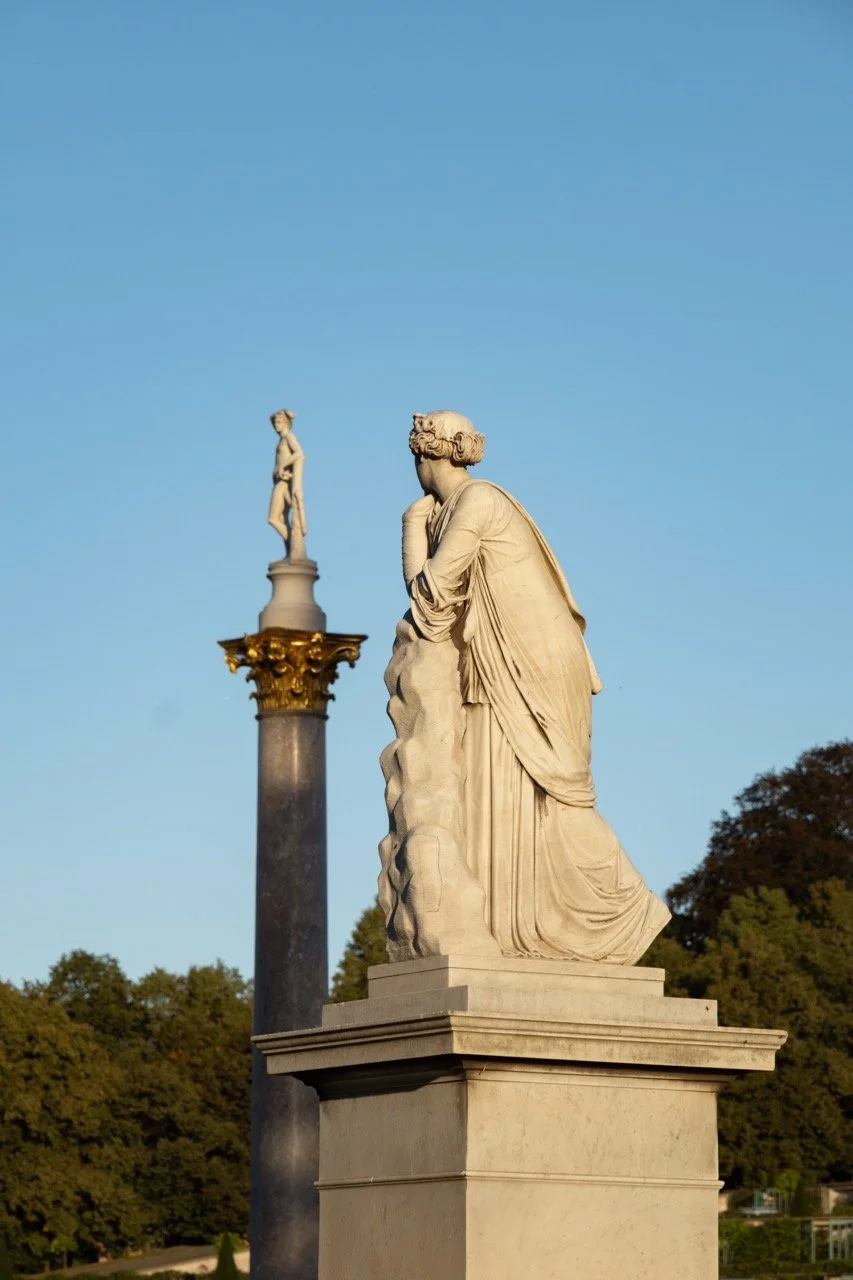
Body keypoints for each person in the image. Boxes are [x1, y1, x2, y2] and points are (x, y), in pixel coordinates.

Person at [396, 409, 669, 963]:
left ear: (431, 455)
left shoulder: (477, 504)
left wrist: (409, 529)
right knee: (504, 787)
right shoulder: (452, 510)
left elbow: (429, 598)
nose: (416, 466)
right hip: (499, 663)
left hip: (534, 662)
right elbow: (435, 609)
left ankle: (620, 909)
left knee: (554, 788)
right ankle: (518, 927)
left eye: (417, 455)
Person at [267, 408, 307, 558]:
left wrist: (282, 466)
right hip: (279, 481)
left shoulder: (289, 437)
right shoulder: (282, 439)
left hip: (284, 482)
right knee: (281, 519)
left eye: (279, 422)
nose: (276, 425)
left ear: (286, 423)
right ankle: (291, 551)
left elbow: (300, 454)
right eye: (275, 422)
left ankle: (294, 547)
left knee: (273, 518)